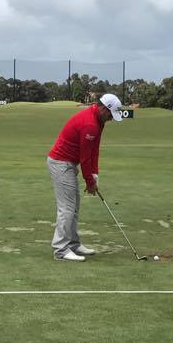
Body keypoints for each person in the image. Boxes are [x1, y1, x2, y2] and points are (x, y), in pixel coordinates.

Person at [46, 93, 124, 261]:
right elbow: (85, 157)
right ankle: (60, 250)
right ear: (104, 108)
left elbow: (94, 149)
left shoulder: (99, 121)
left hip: (68, 163)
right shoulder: (90, 124)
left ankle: (73, 244)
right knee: (67, 207)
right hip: (60, 163)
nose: (111, 118)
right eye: (111, 114)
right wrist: (89, 182)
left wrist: (94, 174)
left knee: (74, 206)